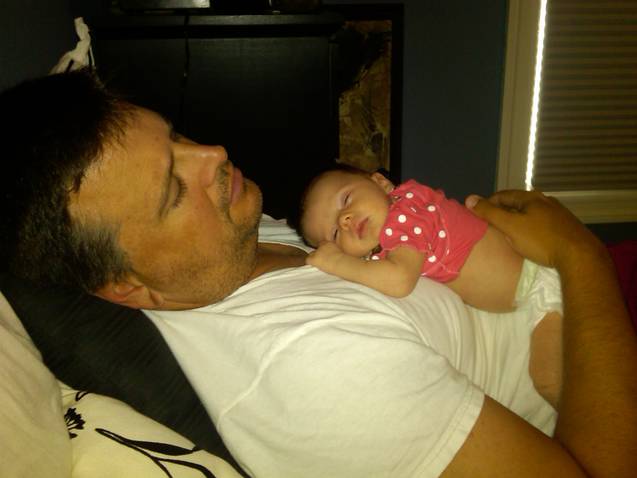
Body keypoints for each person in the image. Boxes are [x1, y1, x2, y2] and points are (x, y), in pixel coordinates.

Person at [1, 69, 636, 477]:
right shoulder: (315, 371)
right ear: (129, 288)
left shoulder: (238, 243)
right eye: (173, 189)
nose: (214, 154)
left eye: (179, 138)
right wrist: (579, 254)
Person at [291, 166, 537, 313]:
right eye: (335, 234)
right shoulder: (388, 233)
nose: (344, 220)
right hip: (527, 293)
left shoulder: (404, 213)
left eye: (346, 199)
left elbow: (400, 280)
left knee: (545, 374)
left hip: (536, 281)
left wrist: (336, 262)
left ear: (380, 182)